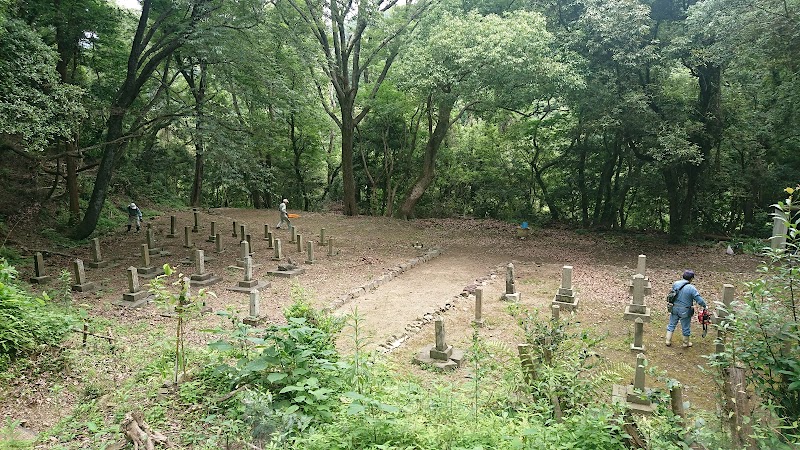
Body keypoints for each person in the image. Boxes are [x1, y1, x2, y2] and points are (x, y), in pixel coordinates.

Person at [665, 270, 707, 348]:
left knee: (671, 324)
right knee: (685, 326)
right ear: (691, 278)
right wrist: (705, 306)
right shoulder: (691, 288)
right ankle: (685, 343)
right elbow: (699, 299)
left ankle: (668, 340)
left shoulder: (676, 284)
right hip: (685, 310)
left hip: (674, 307)